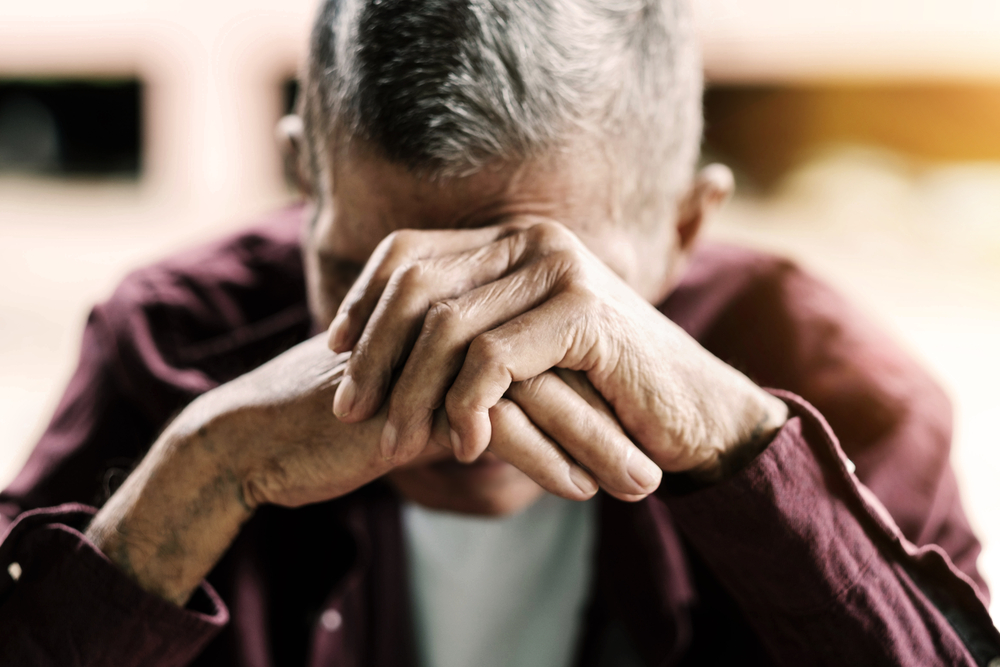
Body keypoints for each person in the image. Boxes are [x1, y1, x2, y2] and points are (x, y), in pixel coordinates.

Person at [1, 0, 997, 665]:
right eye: (367, 286)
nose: (459, 405)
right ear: (304, 182)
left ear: (684, 227)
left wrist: (743, 456)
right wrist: (201, 475)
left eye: (540, 306)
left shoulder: (836, 385)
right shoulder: (173, 344)